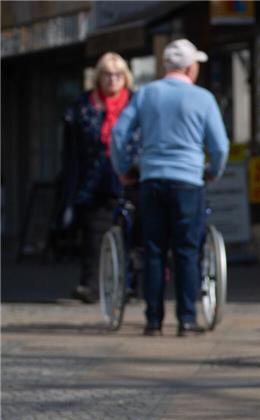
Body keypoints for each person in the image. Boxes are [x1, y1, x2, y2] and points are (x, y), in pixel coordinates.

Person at [111, 39, 229, 337]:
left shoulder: (146, 94)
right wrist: (212, 171)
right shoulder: (203, 98)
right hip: (188, 180)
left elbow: (119, 134)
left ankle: (153, 320)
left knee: (153, 250)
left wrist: (124, 168)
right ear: (190, 68)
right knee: (187, 251)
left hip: (151, 179)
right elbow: (220, 145)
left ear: (166, 66)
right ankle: (186, 319)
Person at [61, 52, 135, 304]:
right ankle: (92, 285)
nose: (112, 80)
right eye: (106, 74)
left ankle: (127, 286)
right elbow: (72, 150)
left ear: (125, 78)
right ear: (98, 77)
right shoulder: (84, 106)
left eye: (117, 75)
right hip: (92, 180)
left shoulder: (135, 104)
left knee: (129, 234)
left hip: (127, 178)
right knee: (93, 234)